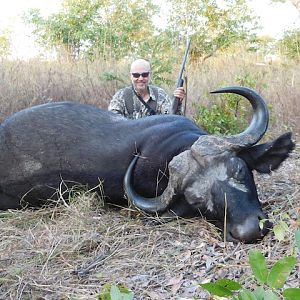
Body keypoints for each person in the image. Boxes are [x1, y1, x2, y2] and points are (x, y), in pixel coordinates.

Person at [108, 59, 186, 119]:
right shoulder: (121, 96)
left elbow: (173, 120)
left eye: (144, 74)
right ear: (131, 76)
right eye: (136, 75)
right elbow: (113, 121)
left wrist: (178, 103)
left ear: (150, 75)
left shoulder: (160, 94)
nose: (141, 78)